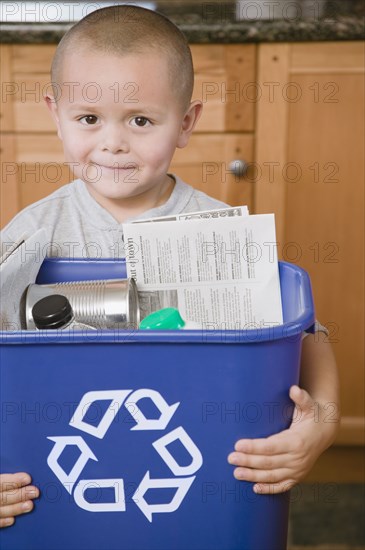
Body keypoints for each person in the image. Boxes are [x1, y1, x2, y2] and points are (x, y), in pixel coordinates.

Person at [0, 5, 339, 529]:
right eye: (89, 119)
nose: (113, 143)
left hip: (203, 477)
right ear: (56, 114)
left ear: (185, 123)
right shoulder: (29, 236)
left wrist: (322, 425)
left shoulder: (219, 232)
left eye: (141, 120)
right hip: (53, 493)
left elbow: (306, 335)